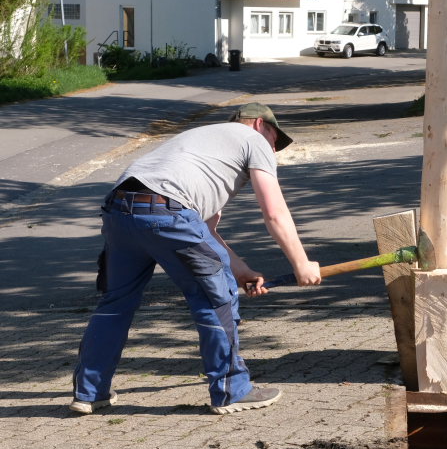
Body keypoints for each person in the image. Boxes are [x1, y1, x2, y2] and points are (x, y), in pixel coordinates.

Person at [70, 103, 321, 415]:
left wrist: (241, 271)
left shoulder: (203, 145)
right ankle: (232, 390)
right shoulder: (253, 140)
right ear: (260, 124)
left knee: (115, 303)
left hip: (120, 209)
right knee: (216, 298)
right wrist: (301, 263)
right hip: (167, 208)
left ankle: (90, 392)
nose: (273, 149)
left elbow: (204, 232)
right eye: (274, 139)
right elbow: (274, 212)